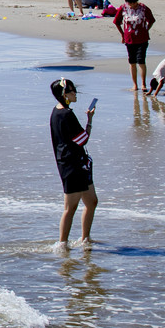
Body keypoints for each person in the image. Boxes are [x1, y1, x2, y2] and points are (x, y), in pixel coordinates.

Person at [49, 78, 98, 247]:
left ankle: (85, 239)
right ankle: (62, 244)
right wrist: (90, 120)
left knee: (92, 202)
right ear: (64, 94)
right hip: (72, 165)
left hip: (79, 163)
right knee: (70, 208)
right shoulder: (65, 114)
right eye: (71, 90)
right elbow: (83, 139)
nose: (75, 93)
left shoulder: (58, 111)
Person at [102, 0, 156, 91]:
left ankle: (143, 84)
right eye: (130, 2)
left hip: (142, 38)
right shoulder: (123, 8)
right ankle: (135, 85)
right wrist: (122, 35)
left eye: (134, 2)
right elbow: (117, 22)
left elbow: (152, 20)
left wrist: (146, 29)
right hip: (129, 39)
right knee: (132, 62)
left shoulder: (143, 8)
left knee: (141, 61)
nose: (132, 4)